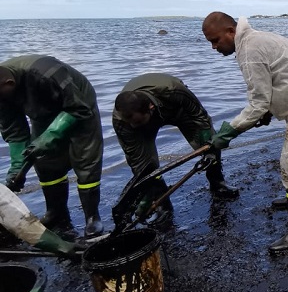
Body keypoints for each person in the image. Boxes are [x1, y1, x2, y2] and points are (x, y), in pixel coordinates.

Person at [202, 12, 288, 253]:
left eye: (216, 40)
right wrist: (267, 113)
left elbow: (258, 101)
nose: (214, 47)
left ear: (231, 31)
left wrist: (229, 131)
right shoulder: (256, 40)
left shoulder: (249, 50)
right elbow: (277, 81)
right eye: (210, 42)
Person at [0, 55, 104, 238]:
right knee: (45, 161)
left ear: (10, 83)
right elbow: (15, 132)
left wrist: (51, 135)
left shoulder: (47, 72)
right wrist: (17, 168)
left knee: (85, 159)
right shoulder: (3, 91)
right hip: (42, 113)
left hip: (80, 108)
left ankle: (92, 217)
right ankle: (56, 213)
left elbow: (78, 108)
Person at [112, 73, 240, 220]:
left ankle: (218, 184)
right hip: (141, 123)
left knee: (209, 141)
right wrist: (146, 193)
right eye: (130, 123)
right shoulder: (123, 122)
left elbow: (199, 116)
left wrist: (209, 149)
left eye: (138, 122)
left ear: (151, 107)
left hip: (178, 111)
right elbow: (137, 161)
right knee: (146, 166)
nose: (134, 126)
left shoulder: (172, 90)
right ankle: (162, 205)